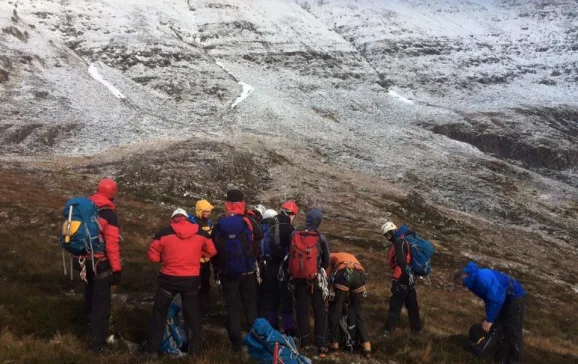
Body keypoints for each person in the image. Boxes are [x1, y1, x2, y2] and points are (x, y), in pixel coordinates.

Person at [144, 208, 217, 358]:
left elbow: (152, 256)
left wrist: (164, 259)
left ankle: (151, 350)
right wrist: (197, 255)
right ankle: (196, 352)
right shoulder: (200, 232)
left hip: (168, 279)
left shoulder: (164, 232)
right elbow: (212, 251)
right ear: (186, 218)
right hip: (191, 280)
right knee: (192, 316)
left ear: (173, 219)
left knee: (159, 314)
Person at [212, 189, 263, 351]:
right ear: (242, 202)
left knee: (232, 306)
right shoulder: (247, 220)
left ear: (227, 203)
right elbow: (260, 235)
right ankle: (255, 338)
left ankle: (236, 343)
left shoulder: (220, 222)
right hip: (247, 271)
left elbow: (213, 245)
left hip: (228, 272)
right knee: (250, 304)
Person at [76, 178, 122, 353]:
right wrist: (117, 270)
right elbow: (112, 245)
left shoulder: (85, 207)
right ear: (112, 193)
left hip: (81, 260)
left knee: (89, 293)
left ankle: (87, 325)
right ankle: (96, 345)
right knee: (101, 304)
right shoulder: (108, 214)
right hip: (100, 263)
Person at [454, 262, 526, 364]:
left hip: (514, 297)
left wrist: (489, 320)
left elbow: (496, 299)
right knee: (501, 328)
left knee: (513, 331)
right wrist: (490, 317)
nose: (461, 287)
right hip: (504, 298)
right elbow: (488, 299)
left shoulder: (480, 280)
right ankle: (501, 356)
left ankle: (515, 361)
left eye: (460, 284)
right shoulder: (473, 281)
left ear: (462, 278)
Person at [290, 209, 330, 358]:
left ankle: (304, 341)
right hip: (315, 279)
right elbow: (326, 260)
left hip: (298, 278)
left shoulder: (295, 235)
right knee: (319, 310)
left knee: (302, 310)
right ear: (318, 222)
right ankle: (322, 344)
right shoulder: (320, 237)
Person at [327, 252, 371, 359]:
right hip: (359, 275)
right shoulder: (350, 256)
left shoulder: (330, 256)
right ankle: (367, 348)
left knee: (335, 309)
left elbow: (328, 277)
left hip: (344, 274)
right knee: (358, 310)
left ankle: (334, 346)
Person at [381, 222, 422, 336]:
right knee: (412, 304)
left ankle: (387, 330)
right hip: (410, 277)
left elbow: (401, 263)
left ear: (392, 232)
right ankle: (417, 329)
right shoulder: (403, 240)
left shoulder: (399, 242)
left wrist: (395, 280)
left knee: (395, 303)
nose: (387, 238)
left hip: (403, 277)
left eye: (388, 235)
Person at [188, 199, 216, 317]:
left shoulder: (209, 223)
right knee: (195, 287)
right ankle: (193, 310)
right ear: (200, 211)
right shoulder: (193, 224)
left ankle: (204, 309)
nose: (208, 213)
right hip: (196, 261)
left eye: (209, 211)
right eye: (206, 211)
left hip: (206, 261)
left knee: (206, 285)